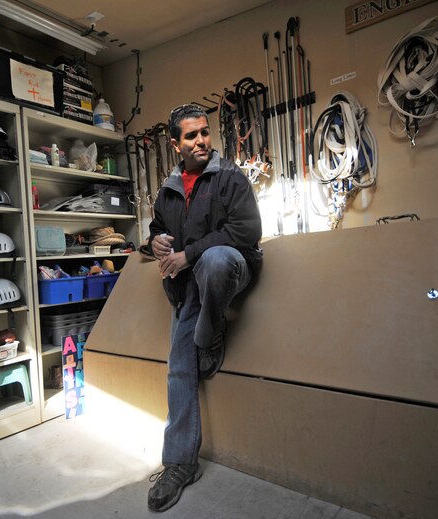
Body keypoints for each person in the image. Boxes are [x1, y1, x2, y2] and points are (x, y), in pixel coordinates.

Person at [144, 104, 263, 512]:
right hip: (189, 284)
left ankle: (211, 336)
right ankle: (179, 464)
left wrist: (189, 254)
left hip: (229, 268)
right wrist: (156, 242)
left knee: (213, 260)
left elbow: (246, 231)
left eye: (204, 134)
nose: (200, 141)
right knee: (179, 365)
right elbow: (159, 228)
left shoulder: (229, 177)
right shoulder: (170, 188)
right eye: (191, 136)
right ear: (176, 144)